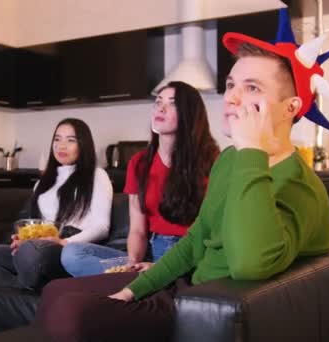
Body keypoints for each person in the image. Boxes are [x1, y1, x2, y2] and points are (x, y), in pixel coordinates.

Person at [34, 8, 329, 342]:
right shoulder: (229, 160)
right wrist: (138, 287)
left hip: (206, 304)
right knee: (55, 292)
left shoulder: (300, 186)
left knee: (69, 313)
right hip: (187, 285)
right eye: (231, 84)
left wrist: (253, 150)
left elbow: (250, 265)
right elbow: (196, 238)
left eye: (252, 88)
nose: (231, 98)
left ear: (291, 108)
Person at [61, 81, 219, 277]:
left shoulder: (212, 161)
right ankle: (136, 278)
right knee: (72, 253)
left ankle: (151, 279)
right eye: (159, 101)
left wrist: (166, 266)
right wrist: (132, 262)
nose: (161, 107)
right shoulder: (139, 163)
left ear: (189, 114)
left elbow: (213, 231)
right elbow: (137, 230)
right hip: (151, 251)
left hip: (189, 255)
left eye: (172, 103)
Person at [0, 118, 113, 289]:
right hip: (36, 248)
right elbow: (36, 224)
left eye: (71, 140)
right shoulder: (43, 182)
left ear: (83, 145)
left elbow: (101, 227)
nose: (61, 146)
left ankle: (30, 273)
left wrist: (62, 243)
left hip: (67, 249)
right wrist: (23, 239)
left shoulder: (96, 176)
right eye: (57, 139)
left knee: (31, 252)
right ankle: (21, 284)